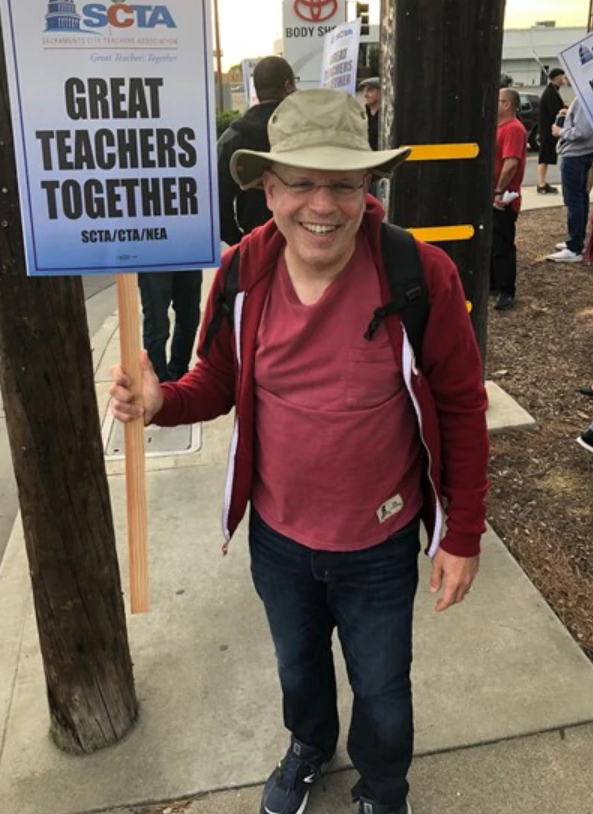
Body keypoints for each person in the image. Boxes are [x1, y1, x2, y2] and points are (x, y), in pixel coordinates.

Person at [110, 89, 489, 814]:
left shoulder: (418, 275)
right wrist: (163, 403)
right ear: (268, 188)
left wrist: (460, 532)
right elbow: (215, 382)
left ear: (367, 188)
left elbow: (461, 408)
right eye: (302, 183)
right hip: (278, 537)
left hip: (378, 541)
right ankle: (309, 746)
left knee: (382, 687)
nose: (323, 205)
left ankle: (383, 790)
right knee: (298, 667)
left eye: (343, 183)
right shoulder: (243, 274)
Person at [217, 56, 296, 246]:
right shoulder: (305, 132)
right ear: (288, 86)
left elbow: (219, 204)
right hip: (302, 241)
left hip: (255, 241)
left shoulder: (232, 138)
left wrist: (242, 243)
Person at [547, 97, 593, 263]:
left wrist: (560, 132)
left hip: (575, 154)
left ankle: (574, 247)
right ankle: (576, 241)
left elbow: (583, 131)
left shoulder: (585, 97)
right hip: (584, 152)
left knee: (574, 200)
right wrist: (569, 113)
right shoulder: (589, 95)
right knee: (580, 199)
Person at [490, 87, 527, 312]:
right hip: (495, 195)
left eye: (497, 100)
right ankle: (494, 284)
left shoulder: (513, 129)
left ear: (507, 105)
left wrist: (498, 191)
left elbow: (511, 163)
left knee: (502, 244)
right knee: (492, 242)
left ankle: (506, 291)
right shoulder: (498, 128)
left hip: (505, 197)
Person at [136, 269, 203, 383]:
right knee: (156, 325)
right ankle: (159, 382)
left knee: (189, 318)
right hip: (153, 260)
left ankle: (179, 373)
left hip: (189, 258)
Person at [537, 67, 567, 194]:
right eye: (563, 76)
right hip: (547, 130)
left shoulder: (554, 91)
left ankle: (542, 183)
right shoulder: (550, 93)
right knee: (544, 157)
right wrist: (565, 110)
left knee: (547, 157)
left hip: (549, 130)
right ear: (557, 77)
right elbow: (555, 111)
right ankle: (541, 184)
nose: (565, 78)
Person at [359, 76, 381, 150]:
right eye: (364, 91)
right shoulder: (360, 115)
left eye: (369, 91)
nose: (365, 94)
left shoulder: (387, 118)